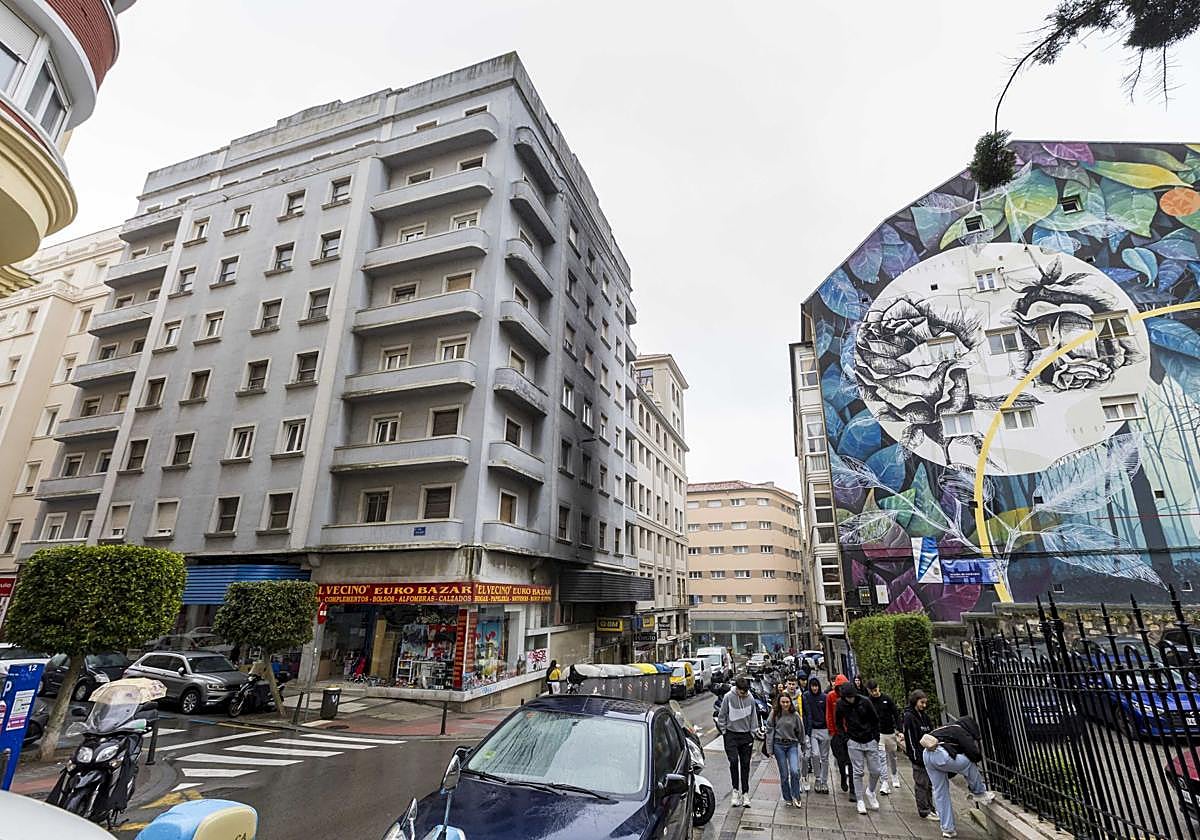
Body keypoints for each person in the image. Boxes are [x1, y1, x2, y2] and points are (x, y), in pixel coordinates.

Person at [922, 716, 995, 838]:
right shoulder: (960, 730)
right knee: (969, 764)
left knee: (940, 791)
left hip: (927, 755)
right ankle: (979, 792)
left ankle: (947, 829)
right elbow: (973, 753)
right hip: (941, 754)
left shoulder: (945, 728)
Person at [836, 682, 883, 816]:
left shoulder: (865, 702)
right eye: (847, 697)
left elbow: (875, 719)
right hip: (853, 741)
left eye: (851, 697)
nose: (850, 700)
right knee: (857, 772)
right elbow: (838, 722)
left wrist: (875, 737)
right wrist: (846, 738)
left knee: (876, 770)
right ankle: (860, 799)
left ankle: (871, 791)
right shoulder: (840, 704)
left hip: (870, 739)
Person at [717, 676, 757, 807]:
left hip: (746, 735)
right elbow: (722, 715)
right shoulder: (728, 697)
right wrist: (724, 731)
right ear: (737, 689)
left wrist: (752, 732)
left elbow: (753, 716)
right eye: (741, 692)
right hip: (731, 735)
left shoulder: (750, 698)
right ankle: (735, 790)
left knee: (745, 764)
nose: (743, 694)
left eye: (745, 692)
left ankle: (745, 793)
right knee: (733, 761)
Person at [902, 689, 938, 822]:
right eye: (922, 702)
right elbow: (910, 738)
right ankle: (924, 810)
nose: (924, 705)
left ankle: (930, 808)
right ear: (915, 701)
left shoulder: (924, 716)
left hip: (927, 755)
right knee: (921, 783)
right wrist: (915, 756)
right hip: (918, 756)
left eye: (925, 703)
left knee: (928, 784)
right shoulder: (909, 717)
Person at [764, 691, 804, 807]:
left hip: (792, 744)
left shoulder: (795, 715)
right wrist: (769, 749)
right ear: (779, 702)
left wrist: (803, 744)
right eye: (783, 702)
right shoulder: (774, 714)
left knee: (795, 771)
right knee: (784, 774)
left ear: (790, 703)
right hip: (778, 745)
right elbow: (769, 730)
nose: (785, 704)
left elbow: (800, 731)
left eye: (787, 702)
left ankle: (796, 795)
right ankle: (787, 797)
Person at [866, 680, 901, 794]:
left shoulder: (887, 699)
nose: (875, 693)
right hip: (878, 733)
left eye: (876, 690)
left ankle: (894, 774)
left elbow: (895, 713)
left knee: (892, 755)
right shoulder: (868, 701)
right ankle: (885, 782)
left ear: (878, 687)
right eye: (872, 691)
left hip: (889, 731)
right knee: (881, 757)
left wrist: (899, 729)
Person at [826, 674, 853, 799]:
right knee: (841, 759)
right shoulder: (831, 696)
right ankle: (843, 777)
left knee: (852, 761)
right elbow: (829, 714)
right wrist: (832, 731)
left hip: (851, 733)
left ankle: (853, 788)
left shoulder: (851, 698)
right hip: (837, 733)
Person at [802, 676, 830, 793]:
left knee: (825, 757)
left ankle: (824, 781)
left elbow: (828, 713)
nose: (815, 688)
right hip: (812, 729)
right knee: (815, 754)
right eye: (813, 685)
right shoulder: (806, 696)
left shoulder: (824, 697)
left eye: (816, 685)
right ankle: (818, 778)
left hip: (824, 729)